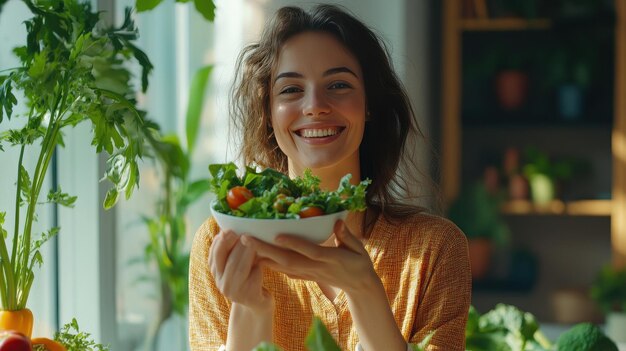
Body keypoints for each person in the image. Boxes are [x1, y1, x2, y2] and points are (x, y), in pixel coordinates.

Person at [189, 4, 471, 351]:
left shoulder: (435, 250)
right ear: (268, 113)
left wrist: (364, 291)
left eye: (338, 85)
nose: (315, 105)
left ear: (369, 105)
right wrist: (251, 310)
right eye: (291, 89)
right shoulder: (221, 244)